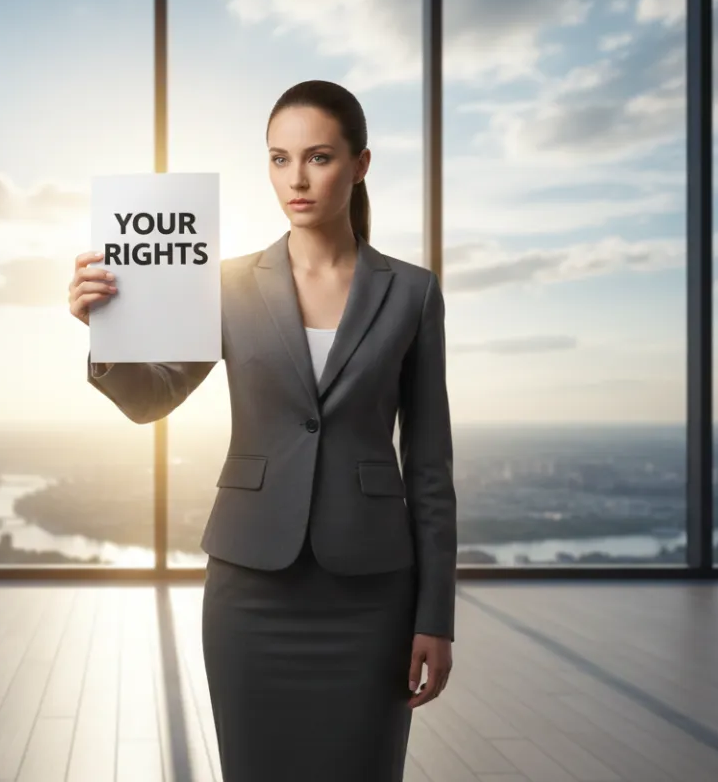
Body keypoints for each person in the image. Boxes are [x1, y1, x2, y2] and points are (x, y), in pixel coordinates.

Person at [67, 79, 456, 781]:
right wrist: (104, 335)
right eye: (279, 159)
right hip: (251, 590)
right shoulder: (226, 283)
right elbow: (151, 400)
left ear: (360, 164)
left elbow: (429, 468)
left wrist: (436, 616)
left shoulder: (413, 292)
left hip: (372, 595)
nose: (296, 179)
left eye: (318, 157)